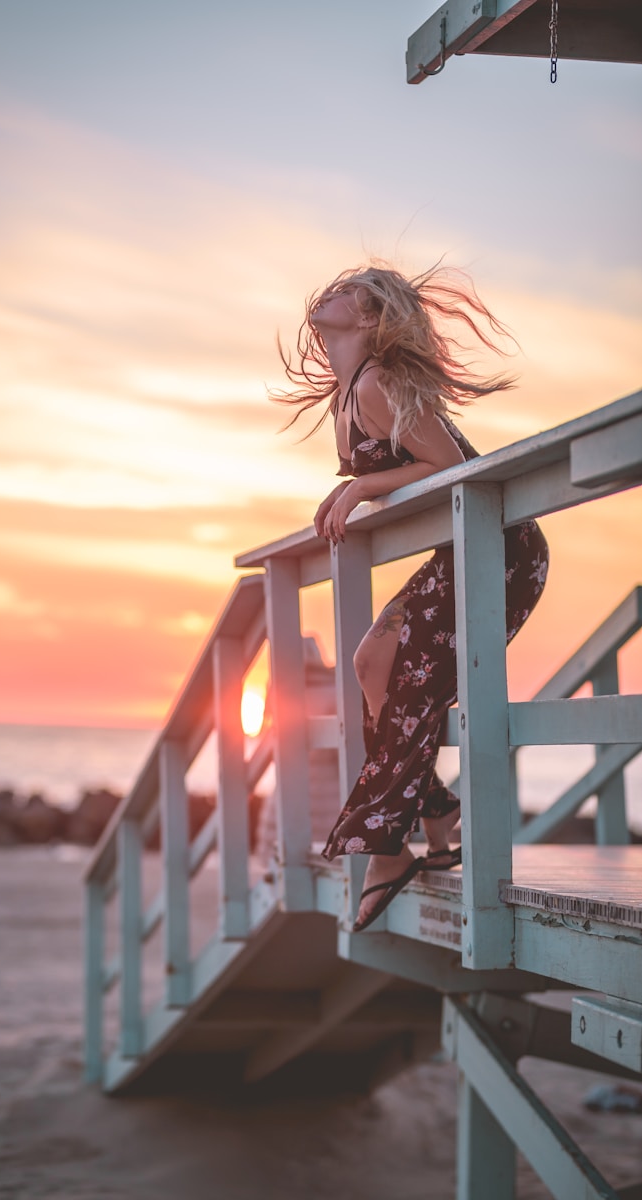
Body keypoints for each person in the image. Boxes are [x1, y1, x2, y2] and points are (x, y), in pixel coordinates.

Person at [273, 261, 549, 931]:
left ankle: (395, 846)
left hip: (500, 549)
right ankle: (433, 812)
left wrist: (359, 487)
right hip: (462, 548)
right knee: (372, 666)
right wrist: (358, 488)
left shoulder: (378, 383)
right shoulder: (350, 394)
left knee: (389, 675)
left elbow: (453, 470)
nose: (330, 291)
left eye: (349, 291)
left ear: (367, 317)